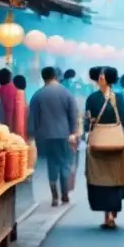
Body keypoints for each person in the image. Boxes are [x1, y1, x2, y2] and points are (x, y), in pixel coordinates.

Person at [83, 67, 124, 229]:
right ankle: (112, 211)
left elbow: (86, 123)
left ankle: (107, 214)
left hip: (98, 143)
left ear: (101, 79)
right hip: (116, 143)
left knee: (100, 177)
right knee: (116, 176)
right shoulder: (119, 97)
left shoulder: (92, 98)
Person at [29, 66, 79, 207]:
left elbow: (33, 117)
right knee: (64, 163)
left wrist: (31, 135)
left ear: (43, 77)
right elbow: (73, 114)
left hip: (45, 136)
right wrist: (74, 133)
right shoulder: (66, 93)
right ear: (56, 76)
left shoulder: (38, 95)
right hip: (64, 135)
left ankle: (54, 196)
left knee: (52, 163)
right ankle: (64, 194)